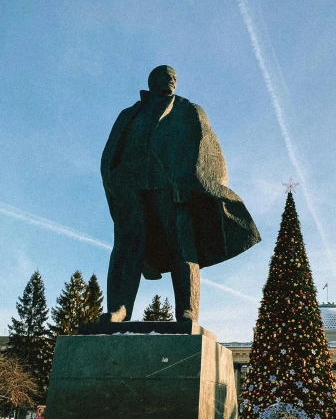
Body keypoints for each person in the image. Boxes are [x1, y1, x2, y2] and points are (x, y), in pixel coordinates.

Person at [101, 65, 261, 322]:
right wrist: (114, 182)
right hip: (132, 187)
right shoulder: (130, 114)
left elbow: (209, 153)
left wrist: (194, 183)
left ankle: (188, 310)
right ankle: (119, 308)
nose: (172, 82)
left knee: (182, 248)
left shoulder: (189, 110)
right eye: (166, 77)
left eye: (174, 78)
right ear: (152, 81)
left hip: (173, 190)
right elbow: (111, 152)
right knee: (127, 246)